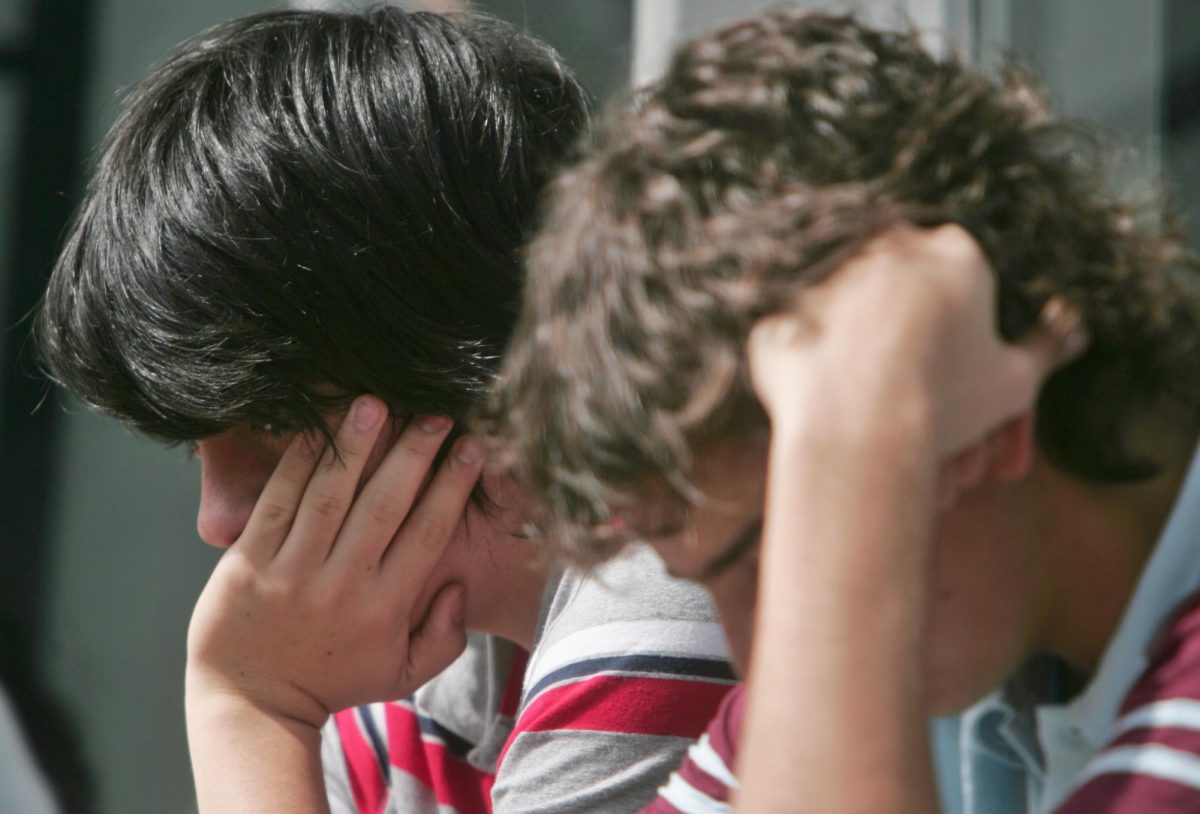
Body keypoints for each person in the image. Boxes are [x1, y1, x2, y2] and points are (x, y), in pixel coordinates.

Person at [488, 8, 1200, 812]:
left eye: (774, 557)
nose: (765, 660)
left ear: (989, 425)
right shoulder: (979, 631)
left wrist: (857, 455)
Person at [35, 8, 735, 813]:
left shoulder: (664, 596)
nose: (218, 520)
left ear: (452, 344)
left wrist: (251, 709)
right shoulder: (403, 688)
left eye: (268, 422)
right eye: (197, 448)